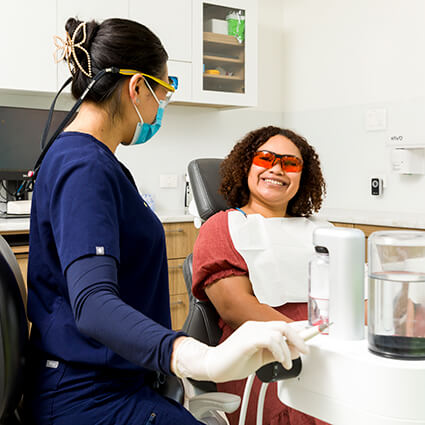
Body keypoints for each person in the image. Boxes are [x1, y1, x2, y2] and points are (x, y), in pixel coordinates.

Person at [23, 19, 309, 425]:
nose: (159, 109)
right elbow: (92, 305)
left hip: (119, 380)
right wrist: (197, 359)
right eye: (163, 94)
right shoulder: (84, 166)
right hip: (87, 394)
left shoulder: (93, 161)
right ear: (136, 88)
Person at [192, 126, 332, 425]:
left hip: (332, 353)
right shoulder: (224, 226)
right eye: (266, 158)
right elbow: (236, 308)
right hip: (269, 361)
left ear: (302, 176)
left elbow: (358, 296)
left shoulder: (322, 230)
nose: (277, 169)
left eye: (290, 163)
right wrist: (316, 346)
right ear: (247, 166)